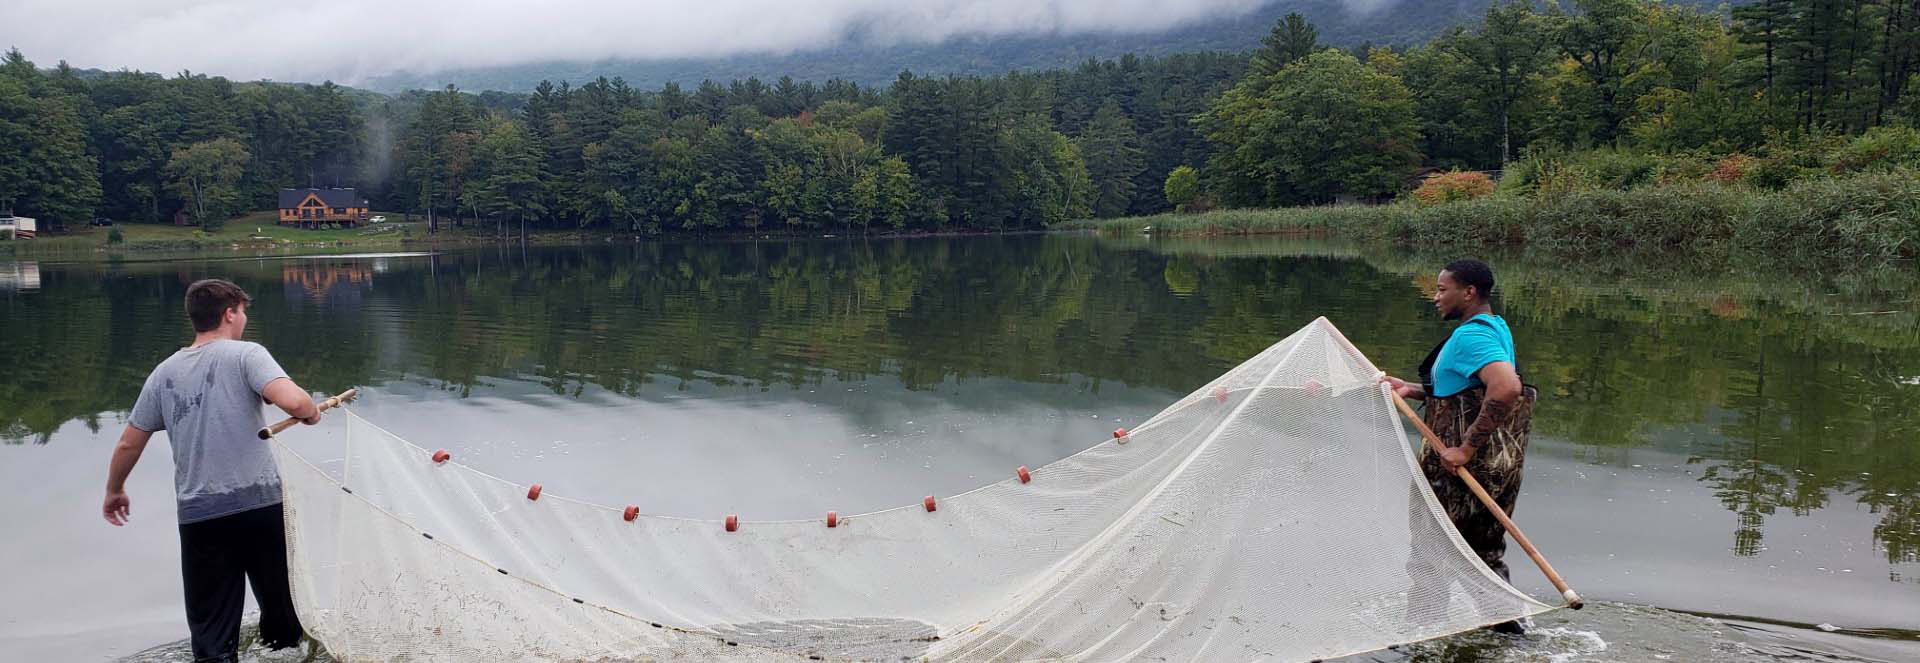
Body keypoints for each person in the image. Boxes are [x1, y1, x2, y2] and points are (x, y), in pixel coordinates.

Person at [102, 278, 320, 662]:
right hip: (260, 508)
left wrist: (114, 490)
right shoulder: (247, 355)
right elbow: (295, 401)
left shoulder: (163, 373)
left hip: (201, 515)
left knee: (212, 635)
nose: (244, 318)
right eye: (242, 311)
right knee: (283, 621)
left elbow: (128, 443)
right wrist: (311, 411)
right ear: (229, 313)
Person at [1381, 259, 1537, 634]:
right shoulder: (1495, 327)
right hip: (1496, 468)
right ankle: (1513, 642)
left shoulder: (1470, 336)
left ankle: (1418, 641)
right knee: (1484, 559)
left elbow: (1506, 388)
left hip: (1457, 472)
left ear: (1468, 292)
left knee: (1430, 557)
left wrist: (1464, 449)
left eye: (1441, 288)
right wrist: (1414, 390)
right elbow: (1472, 392)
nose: (1435, 297)